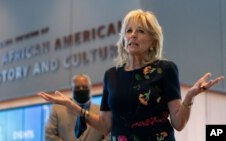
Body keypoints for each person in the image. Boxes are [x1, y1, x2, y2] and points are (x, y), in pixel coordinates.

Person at [38, 9, 224, 141]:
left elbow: (178, 122)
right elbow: (105, 126)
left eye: (140, 31)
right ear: (123, 39)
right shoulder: (111, 75)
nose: (132, 35)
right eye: (129, 30)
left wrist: (189, 97)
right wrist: (72, 105)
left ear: (152, 41)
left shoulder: (165, 69)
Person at [44, 73, 108, 141]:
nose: (81, 89)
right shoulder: (57, 110)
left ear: (90, 88)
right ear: (72, 89)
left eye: (84, 87)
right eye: (77, 87)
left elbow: (109, 134)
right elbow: (49, 135)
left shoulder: (101, 111)